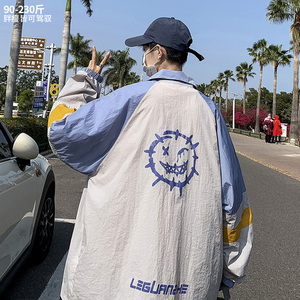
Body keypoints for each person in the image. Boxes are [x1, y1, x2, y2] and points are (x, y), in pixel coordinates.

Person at [48, 17, 253, 300]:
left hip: (109, 284)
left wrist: (86, 81)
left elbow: (60, 130)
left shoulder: (129, 99)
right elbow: (233, 203)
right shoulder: (210, 111)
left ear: (158, 52)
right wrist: (229, 272)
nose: (143, 55)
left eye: (145, 48)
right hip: (187, 282)